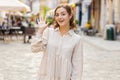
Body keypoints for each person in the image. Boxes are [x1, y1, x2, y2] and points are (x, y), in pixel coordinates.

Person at [31, 4, 83, 80]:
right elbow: (34, 49)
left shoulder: (77, 39)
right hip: (46, 77)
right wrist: (40, 31)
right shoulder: (48, 32)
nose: (60, 17)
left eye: (63, 14)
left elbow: (77, 66)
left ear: (70, 16)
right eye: (57, 15)